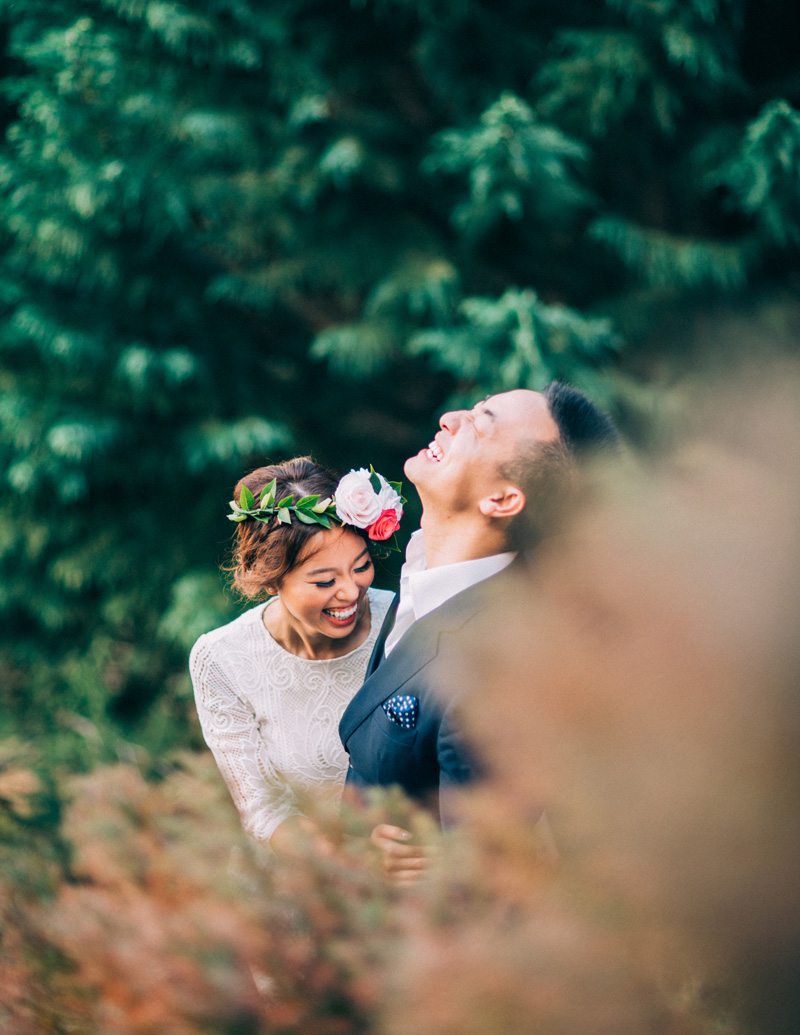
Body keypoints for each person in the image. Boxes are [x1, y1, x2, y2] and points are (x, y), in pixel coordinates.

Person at [339, 382, 619, 878]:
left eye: (480, 422)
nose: (449, 417)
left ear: (504, 498)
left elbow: (485, 887)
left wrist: (436, 871)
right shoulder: (430, 576)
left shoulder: (494, 667)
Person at [189, 456, 399, 855]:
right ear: (271, 579)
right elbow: (262, 808)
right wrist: (354, 859)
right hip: (303, 879)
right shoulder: (221, 659)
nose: (352, 592)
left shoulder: (406, 623)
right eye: (324, 581)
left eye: (362, 567)